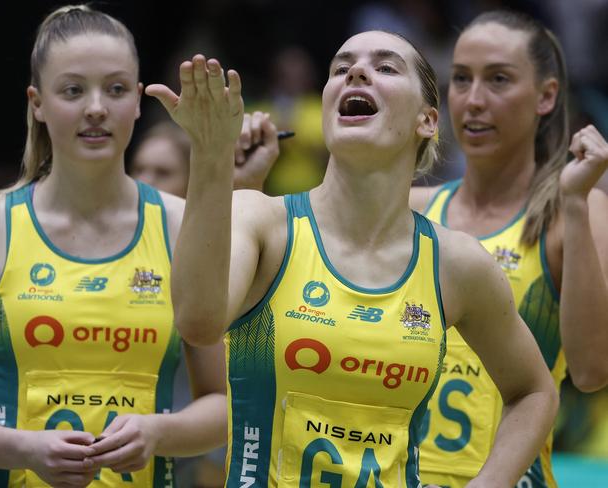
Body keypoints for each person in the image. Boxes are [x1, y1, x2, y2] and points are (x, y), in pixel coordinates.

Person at [147, 31, 559, 487]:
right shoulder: (262, 219)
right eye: (341, 69)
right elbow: (197, 323)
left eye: (385, 67)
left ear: (427, 120)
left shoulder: (455, 261)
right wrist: (211, 152)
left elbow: (535, 391)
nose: (356, 73)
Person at [0, 5, 270, 487]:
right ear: (37, 102)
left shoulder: (180, 225)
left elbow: (227, 402)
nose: (97, 107)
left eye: (117, 88)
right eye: (73, 90)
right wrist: (24, 447)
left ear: (140, 101)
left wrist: (158, 433)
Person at [411, 10, 608, 488]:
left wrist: (578, 203)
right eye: (460, 79)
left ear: (546, 96)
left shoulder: (576, 211)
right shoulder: (409, 208)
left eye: (498, 79)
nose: (474, 100)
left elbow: (591, 370)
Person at [129, 118, 277, 488]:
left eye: (163, 172)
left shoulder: (224, 254)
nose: (146, 181)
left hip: (196, 460)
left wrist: (241, 185)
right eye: (139, 170)